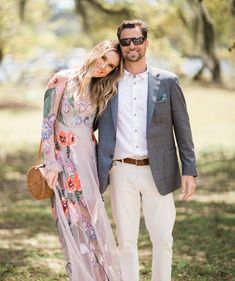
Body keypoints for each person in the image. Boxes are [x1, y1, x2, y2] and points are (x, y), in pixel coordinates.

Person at [95, 20, 198, 281]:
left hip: (159, 170)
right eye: (126, 41)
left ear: (146, 43)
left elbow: (183, 128)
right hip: (120, 171)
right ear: (121, 45)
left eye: (136, 40)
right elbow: (86, 119)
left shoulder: (168, 81)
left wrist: (189, 170)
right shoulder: (109, 83)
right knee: (126, 243)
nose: (131, 46)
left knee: (163, 239)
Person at [41, 40, 124, 281]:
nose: (104, 68)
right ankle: (81, 275)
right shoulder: (61, 80)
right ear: (96, 53)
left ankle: (101, 274)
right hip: (64, 163)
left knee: (92, 218)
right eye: (104, 60)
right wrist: (51, 164)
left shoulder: (101, 88)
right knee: (72, 220)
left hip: (89, 161)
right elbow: (47, 125)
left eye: (110, 66)